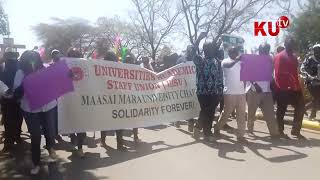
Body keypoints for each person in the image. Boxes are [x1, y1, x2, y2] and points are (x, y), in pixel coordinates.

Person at [13, 50, 57, 175]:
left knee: (50, 131)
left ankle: (50, 147)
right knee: (36, 136)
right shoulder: (20, 73)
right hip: (30, 110)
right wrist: (26, 82)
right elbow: (17, 94)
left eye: (35, 60)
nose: (32, 63)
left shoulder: (46, 69)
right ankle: (36, 163)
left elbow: (56, 82)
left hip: (48, 106)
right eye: (29, 61)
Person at [245, 43, 280, 138]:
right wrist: (256, 85)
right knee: (251, 114)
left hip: (267, 91)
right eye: (264, 50)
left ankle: (274, 133)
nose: (266, 52)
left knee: (270, 114)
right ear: (259, 50)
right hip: (254, 91)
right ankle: (250, 130)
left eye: (267, 50)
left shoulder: (269, 59)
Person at [274, 36, 305, 139]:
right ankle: (279, 131)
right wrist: (285, 86)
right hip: (283, 88)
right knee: (281, 110)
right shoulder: (279, 56)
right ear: (285, 45)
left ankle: (295, 130)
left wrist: (298, 86)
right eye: (290, 45)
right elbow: (278, 74)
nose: (292, 46)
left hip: (294, 88)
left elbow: (295, 73)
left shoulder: (294, 57)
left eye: (293, 45)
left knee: (301, 107)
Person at [214, 46, 247, 143]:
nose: (235, 54)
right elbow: (229, 66)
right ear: (229, 53)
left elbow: (245, 74)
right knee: (226, 113)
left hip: (241, 93)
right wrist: (237, 60)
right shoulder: (225, 62)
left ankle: (240, 136)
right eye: (233, 52)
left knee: (241, 115)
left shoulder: (241, 63)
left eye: (236, 52)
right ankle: (217, 128)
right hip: (230, 93)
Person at [193, 42, 223, 141]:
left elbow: (219, 77)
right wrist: (198, 40)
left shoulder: (217, 61)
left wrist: (220, 90)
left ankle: (204, 131)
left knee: (210, 113)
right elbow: (193, 53)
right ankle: (203, 130)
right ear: (205, 50)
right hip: (202, 92)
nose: (211, 50)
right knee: (206, 111)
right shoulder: (200, 60)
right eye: (208, 48)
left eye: (212, 48)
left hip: (214, 92)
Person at [100, 50, 126, 151]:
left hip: (116, 99)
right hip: (108, 99)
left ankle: (114, 142)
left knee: (115, 121)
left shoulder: (119, 67)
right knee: (110, 122)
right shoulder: (101, 68)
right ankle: (106, 141)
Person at [0, 48, 24, 152]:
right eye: (10, 55)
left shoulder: (21, 66)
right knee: (9, 120)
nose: (11, 57)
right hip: (7, 98)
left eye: (13, 55)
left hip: (17, 97)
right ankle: (9, 141)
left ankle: (16, 137)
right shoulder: (2, 66)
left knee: (17, 118)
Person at [66, 47, 87, 157]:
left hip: (82, 100)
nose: (74, 56)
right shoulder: (64, 66)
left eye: (76, 54)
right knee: (72, 123)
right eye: (72, 55)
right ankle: (72, 138)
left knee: (81, 126)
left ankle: (80, 148)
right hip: (69, 100)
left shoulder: (85, 65)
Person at [300, 44, 320, 120]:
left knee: (317, 99)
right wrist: (309, 76)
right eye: (317, 50)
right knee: (317, 99)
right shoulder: (309, 59)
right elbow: (302, 69)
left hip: (319, 82)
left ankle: (312, 115)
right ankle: (303, 110)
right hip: (311, 83)